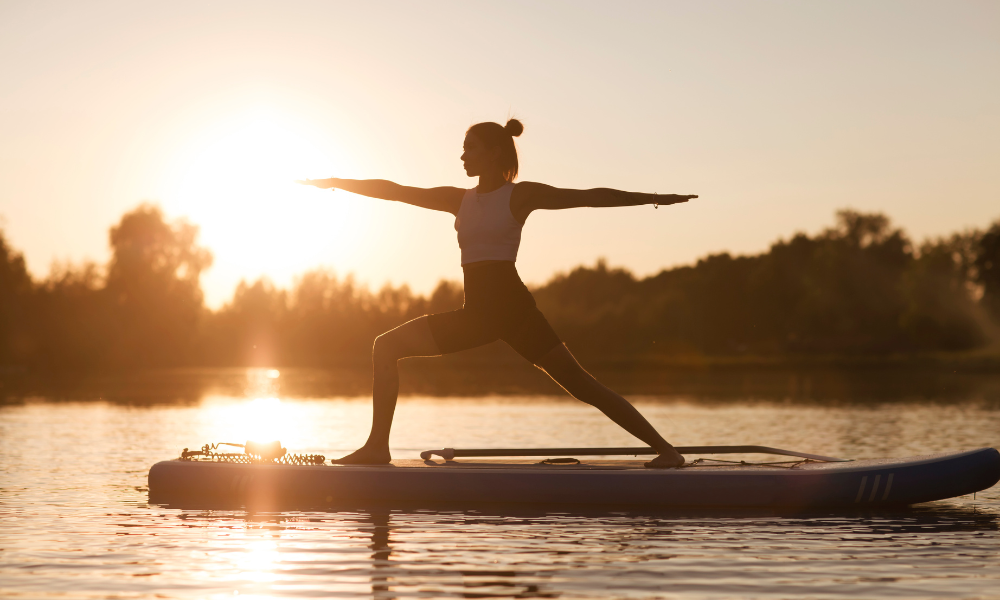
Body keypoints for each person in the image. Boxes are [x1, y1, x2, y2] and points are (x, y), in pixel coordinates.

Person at [298, 118, 697, 468]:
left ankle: (667, 451)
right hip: (478, 315)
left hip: (513, 310)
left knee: (583, 386)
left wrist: (654, 199)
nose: (462, 157)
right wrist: (335, 183)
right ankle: (376, 448)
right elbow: (395, 190)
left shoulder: (520, 195)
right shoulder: (459, 199)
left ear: (491, 152)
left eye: (469, 148)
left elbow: (590, 196)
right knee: (385, 346)